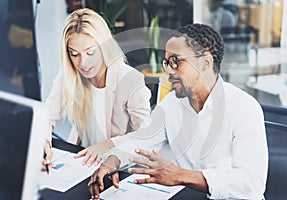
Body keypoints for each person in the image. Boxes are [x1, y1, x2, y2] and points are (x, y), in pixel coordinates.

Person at [83, 23, 268, 199]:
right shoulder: (171, 103)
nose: (169, 71)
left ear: (205, 62)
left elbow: (251, 183)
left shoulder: (245, 108)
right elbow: (142, 140)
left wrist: (180, 175)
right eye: (167, 63)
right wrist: (113, 160)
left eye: (176, 61)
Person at [42, 8, 151, 170]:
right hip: (83, 162)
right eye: (74, 54)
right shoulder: (69, 74)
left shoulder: (129, 79)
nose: (83, 63)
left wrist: (108, 144)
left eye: (90, 52)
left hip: (119, 166)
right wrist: (43, 142)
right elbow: (47, 116)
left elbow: (145, 135)